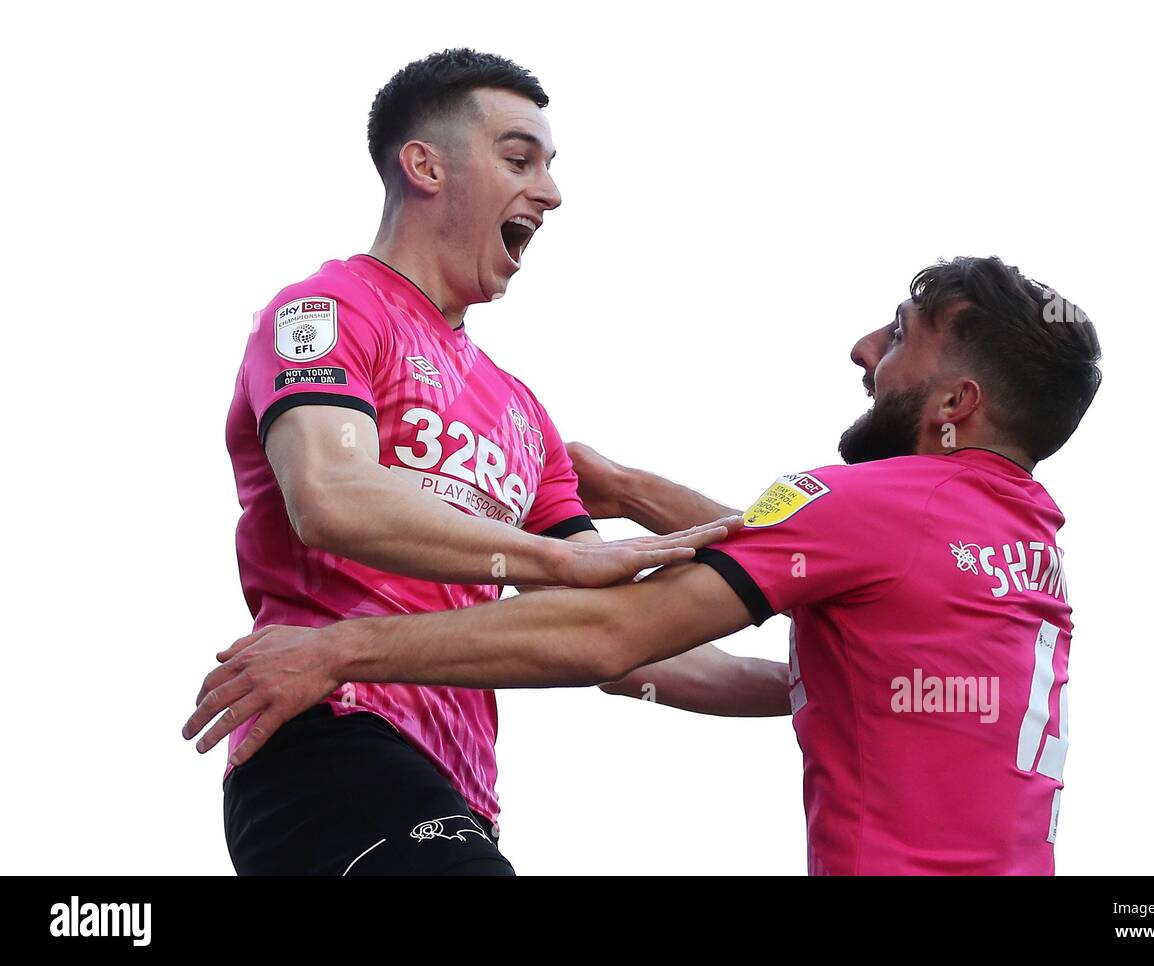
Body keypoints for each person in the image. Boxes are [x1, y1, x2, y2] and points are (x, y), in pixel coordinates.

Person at [192, 256, 1099, 875]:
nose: (864, 351)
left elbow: (612, 634)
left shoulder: (877, 508)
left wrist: (335, 652)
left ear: (955, 403)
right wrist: (617, 488)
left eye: (899, 336)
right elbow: (801, 575)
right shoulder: (1021, 548)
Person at [211, 48, 757, 877]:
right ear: (425, 165)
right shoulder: (323, 310)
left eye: (549, 166)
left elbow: (622, 640)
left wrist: (810, 688)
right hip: (330, 737)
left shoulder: (523, 413)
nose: (551, 191)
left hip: (458, 790)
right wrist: (561, 558)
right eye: (518, 158)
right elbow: (331, 494)